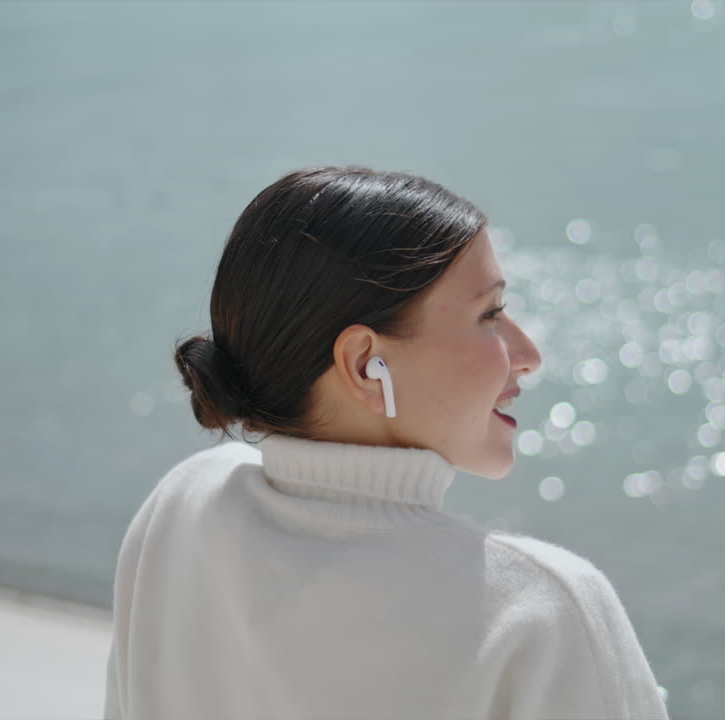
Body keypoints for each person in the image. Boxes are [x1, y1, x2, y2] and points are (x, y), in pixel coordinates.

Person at [102, 165, 670, 719]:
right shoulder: (540, 610)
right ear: (363, 365)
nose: (528, 353)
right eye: (490, 314)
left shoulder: (183, 513)